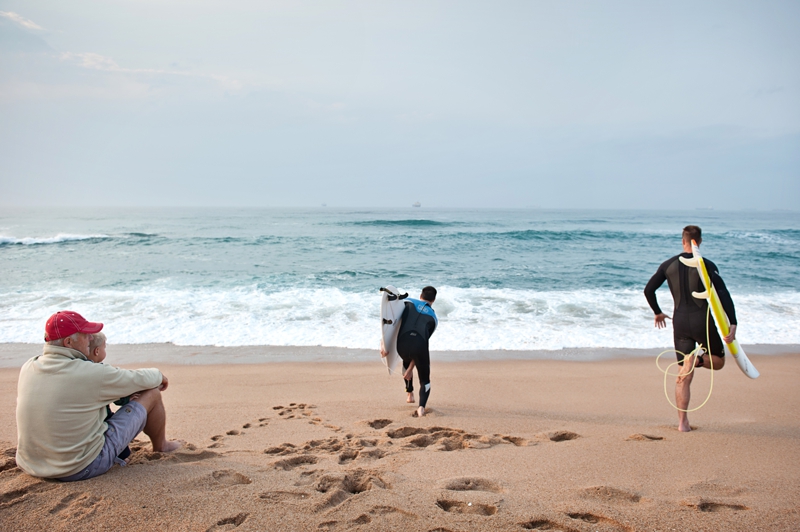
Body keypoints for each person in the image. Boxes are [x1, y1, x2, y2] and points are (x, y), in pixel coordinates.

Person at [15, 311, 182, 481]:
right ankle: (162, 445)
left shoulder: (29, 366)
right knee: (152, 393)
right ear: (68, 342)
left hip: (32, 465)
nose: (89, 338)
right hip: (79, 467)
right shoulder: (89, 373)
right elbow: (140, 378)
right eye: (85, 335)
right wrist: (160, 376)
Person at [644, 226, 737, 432]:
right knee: (719, 362)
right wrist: (733, 322)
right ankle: (699, 360)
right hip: (701, 321)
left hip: (680, 323)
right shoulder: (706, 265)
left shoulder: (668, 265)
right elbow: (722, 293)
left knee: (683, 375)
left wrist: (658, 312)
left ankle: (682, 423)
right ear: (699, 241)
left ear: (683, 240)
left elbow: (649, 290)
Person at [396, 286, 438, 417]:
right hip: (419, 348)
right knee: (425, 380)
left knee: (406, 359)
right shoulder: (434, 319)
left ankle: (410, 393)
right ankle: (421, 408)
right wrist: (412, 368)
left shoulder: (407, 302)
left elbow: (392, 325)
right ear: (434, 300)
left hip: (401, 345)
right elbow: (421, 346)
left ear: (420, 295)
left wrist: (384, 346)